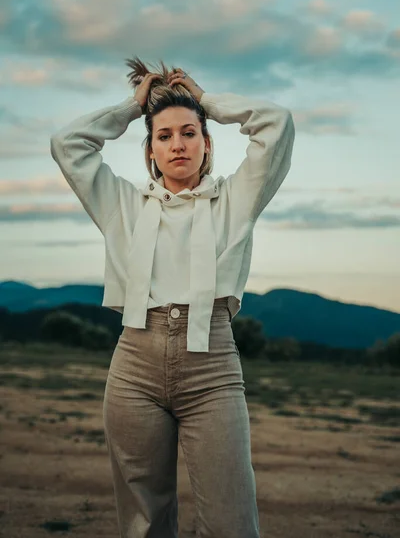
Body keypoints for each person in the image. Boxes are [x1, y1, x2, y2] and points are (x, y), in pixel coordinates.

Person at [50, 56, 295, 538]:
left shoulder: (237, 198)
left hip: (213, 369)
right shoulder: (121, 203)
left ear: (206, 144)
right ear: (151, 152)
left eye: (189, 132)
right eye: (164, 136)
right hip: (134, 368)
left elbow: (277, 124)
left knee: (232, 523)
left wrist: (206, 101)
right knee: (145, 522)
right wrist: (130, 107)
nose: (177, 144)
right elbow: (67, 145)